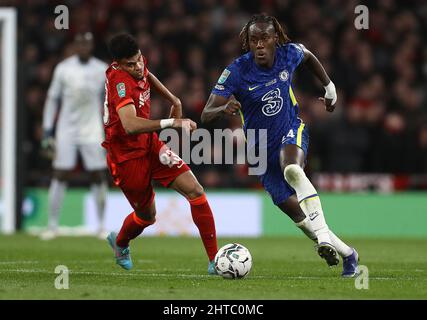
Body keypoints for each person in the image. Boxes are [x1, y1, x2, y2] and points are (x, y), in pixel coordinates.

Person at [202, 14, 359, 277]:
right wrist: (222, 107)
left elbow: (308, 55)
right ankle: (348, 254)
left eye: (265, 38)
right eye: (254, 40)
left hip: (290, 130)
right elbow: (206, 113)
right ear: (248, 42)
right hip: (261, 152)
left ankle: (323, 239)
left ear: (276, 38)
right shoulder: (236, 71)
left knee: (292, 170)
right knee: (301, 219)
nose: (260, 45)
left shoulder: (288, 54)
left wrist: (329, 87)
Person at [103, 33, 218, 273]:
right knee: (146, 216)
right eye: (130, 65)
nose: (137, 67)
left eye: (138, 61)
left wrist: (173, 98)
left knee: (195, 190)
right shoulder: (119, 81)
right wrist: (172, 122)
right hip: (126, 156)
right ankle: (121, 242)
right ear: (118, 64)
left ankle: (214, 260)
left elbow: (147, 76)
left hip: (150, 144)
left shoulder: (138, 64)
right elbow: (130, 125)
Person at [41, 32, 109, 240]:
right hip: (66, 129)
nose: (83, 47)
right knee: (60, 172)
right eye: (80, 43)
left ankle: (101, 226)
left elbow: (109, 102)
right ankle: (52, 226)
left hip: (92, 129)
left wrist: (110, 127)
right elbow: (52, 99)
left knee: (98, 174)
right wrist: (47, 129)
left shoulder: (101, 69)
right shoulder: (64, 68)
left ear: (91, 46)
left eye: (87, 43)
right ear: (75, 46)